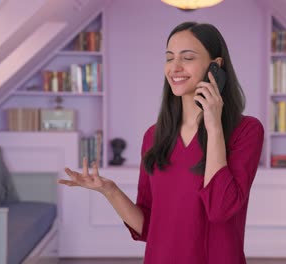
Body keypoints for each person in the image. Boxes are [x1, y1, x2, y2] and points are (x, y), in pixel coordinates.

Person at [59, 21, 264, 264]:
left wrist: (214, 125)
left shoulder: (246, 130)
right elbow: (148, 228)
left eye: (187, 57)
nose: (175, 67)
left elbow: (220, 210)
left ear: (215, 66)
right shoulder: (154, 136)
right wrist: (110, 191)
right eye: (169, 58)